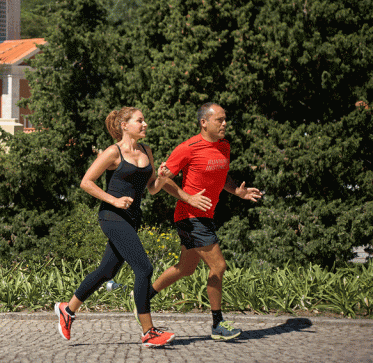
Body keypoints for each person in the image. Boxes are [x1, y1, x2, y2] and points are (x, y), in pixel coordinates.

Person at [54, 107, 176, 348]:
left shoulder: (146, 151)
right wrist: (114, 200)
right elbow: (86, 182)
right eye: (140, 121)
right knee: (144, 268)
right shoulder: (113, 152)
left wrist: (161, 178)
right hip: (112, 216)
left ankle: (67, 310)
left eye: (144, 120)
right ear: (124, 125)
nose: (145, 124)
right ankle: (148, 331)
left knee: (107, 271)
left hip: (132, 218)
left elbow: (151, 188)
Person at [149, 102, 263, 341]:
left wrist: (238, 192)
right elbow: (162, 180)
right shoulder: (187, 148)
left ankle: (142, 296)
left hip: (205, 216)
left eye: (225, 119)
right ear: (204, 122)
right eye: (219, 120)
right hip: (190, 216)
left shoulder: (224, 146)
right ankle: (217, 324)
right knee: (219, 266)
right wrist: (188, 197)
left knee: (186, 268)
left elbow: (221, 176)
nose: (224, 124)